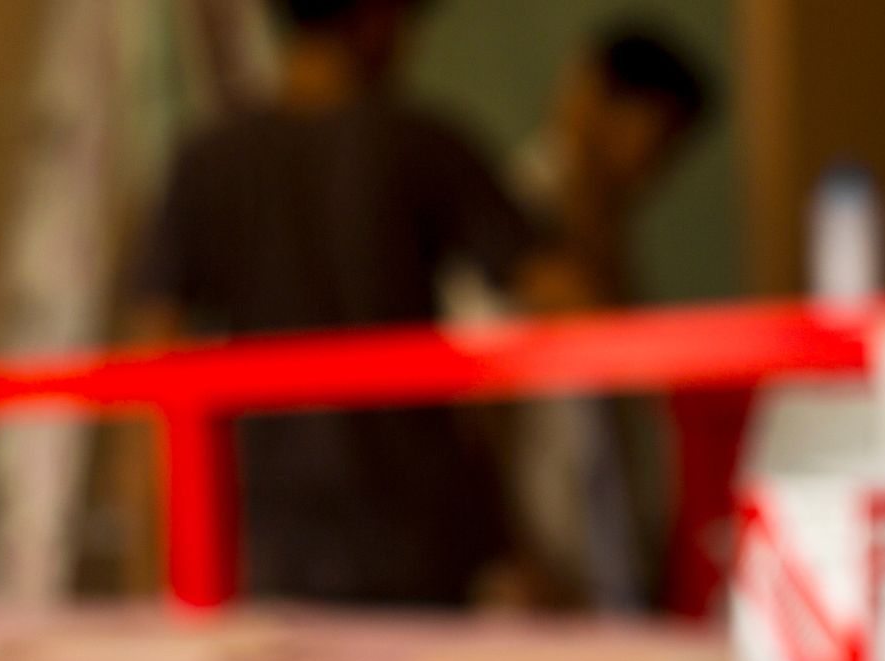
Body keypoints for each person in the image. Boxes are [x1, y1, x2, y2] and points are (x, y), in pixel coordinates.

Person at [135, 0, 583, 606]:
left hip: (270, 530)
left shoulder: (207, 160)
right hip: (417, 530)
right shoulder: (421, 142)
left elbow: (153, 351)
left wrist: (160, 553)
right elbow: (559, 293)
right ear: (376, 20)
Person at [470, 22, 713, 610]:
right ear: (588, 95)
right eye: (650, 134)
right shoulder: (508, 215)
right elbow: (477, 406)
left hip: (609, 567)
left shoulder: (611, 229)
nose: (651, 165)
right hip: (540, 570)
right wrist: (514, 557)